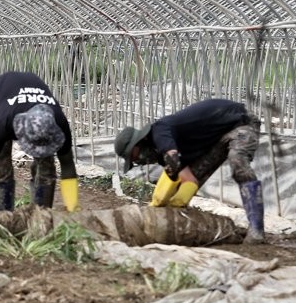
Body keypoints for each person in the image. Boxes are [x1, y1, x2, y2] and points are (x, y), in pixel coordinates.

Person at [113, 98, 265, 243]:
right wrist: (174, 205)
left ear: (140, 142)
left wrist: (160, 199)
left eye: (134, 156)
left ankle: (256, 229)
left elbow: (173, 161)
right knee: (196, 174)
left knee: (237, 161)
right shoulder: (161, 155)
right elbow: (190, 180)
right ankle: (183, 223)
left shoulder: (159, 131)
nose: (138, 161)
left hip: (240, 122)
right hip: (217, 138)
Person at [0, 72, 81, 214]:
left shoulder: (58, 122)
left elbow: (67, 163)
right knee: (0, 162)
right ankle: (4, 216)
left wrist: (73, 207)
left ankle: (41, 216)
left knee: (46, 165)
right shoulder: (3, 122)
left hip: (29, 97)